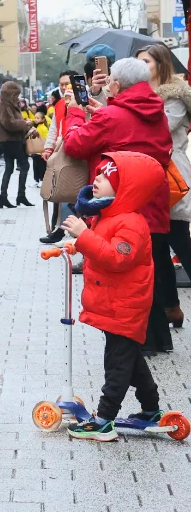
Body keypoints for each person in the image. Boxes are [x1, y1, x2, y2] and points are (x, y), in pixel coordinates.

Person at [61, 57, 174, 354]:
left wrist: (73, 114)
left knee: (126, 273)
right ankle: (160, 338)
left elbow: (75, 145)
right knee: (153, 266)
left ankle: (138, 342)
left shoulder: (111, 116)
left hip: (122, 202)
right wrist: (105, 112)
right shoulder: (158, 112)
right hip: (154, 199)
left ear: (117, 84)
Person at [60, 153, 169, 440]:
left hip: (126, 305)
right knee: (129, 359)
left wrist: (84, 235)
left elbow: (117, 259)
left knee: (117, 363)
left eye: (105, 176)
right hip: (116, 304)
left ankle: (105, 419)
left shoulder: (130, 222)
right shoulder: (107, 216)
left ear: (125, 189)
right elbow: (101, 247)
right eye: (97, 173)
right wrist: (79, 244)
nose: (96, 178)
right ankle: (151, 410)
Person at [138, 43, 191, 331]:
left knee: (180, 240)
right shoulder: (137, 94)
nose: (142, 66)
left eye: (146, 61)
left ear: (160, 63)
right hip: (146, 175)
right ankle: (170, 307)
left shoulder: (176, 94)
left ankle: (171, 306)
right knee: (157, 249)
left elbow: (158, 129)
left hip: (170, 174)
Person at [41, 72, 80, 245]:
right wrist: (49, 148)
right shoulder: (59, 105)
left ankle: (69, 228)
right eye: (61, 84)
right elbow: (54, 128)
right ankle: (59, 229)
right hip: (61, 150)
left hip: (77, 150)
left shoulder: (80, 101)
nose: (64, 87)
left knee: (71, 191)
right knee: (58, 190)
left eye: (67, 84)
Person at [0, 80, 33, 209]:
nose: (17, 97)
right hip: (10, 141)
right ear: (10, 95)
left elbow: (15, 122)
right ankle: (18, 196)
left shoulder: (11, 105)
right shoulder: (4, 106)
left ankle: (5, 197)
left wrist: (26, 126)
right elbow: (9, 124)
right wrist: (25, 124)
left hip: (13, 140)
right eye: (15, 94)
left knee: (10, 168)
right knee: (23, 165)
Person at [31, 110, 48, 185]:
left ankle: (42, 180)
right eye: (35, 118)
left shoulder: (43, 128)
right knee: (35, 167)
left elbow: (45, 139)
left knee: (41, 167)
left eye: (38, 118)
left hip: (40, 151)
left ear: (43, 119)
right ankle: (36, 180)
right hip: (35, 150)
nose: (35, 119)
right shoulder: (37, 127)